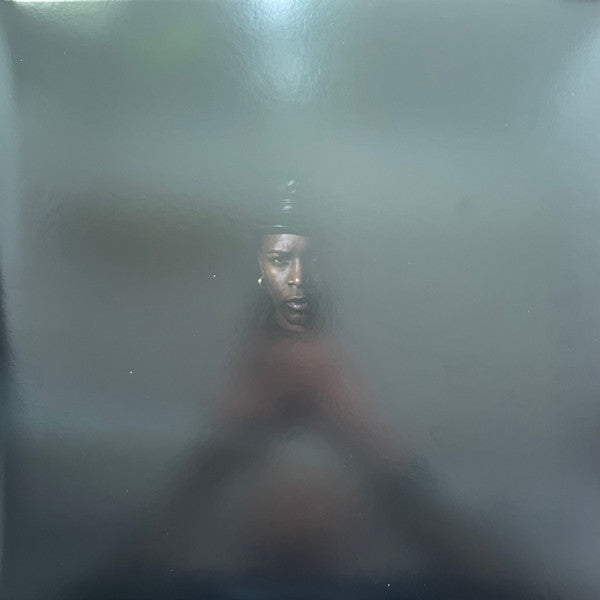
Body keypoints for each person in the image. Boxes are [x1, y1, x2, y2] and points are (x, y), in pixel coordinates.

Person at [67, 183, 538, 599]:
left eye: (317, 478)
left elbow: (512, 591)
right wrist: (223, 447)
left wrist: (368, 439)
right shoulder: (198, 589)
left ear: (354, 507)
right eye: (280, 479)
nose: (297, 500)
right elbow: (105, 590)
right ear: (243, 506)